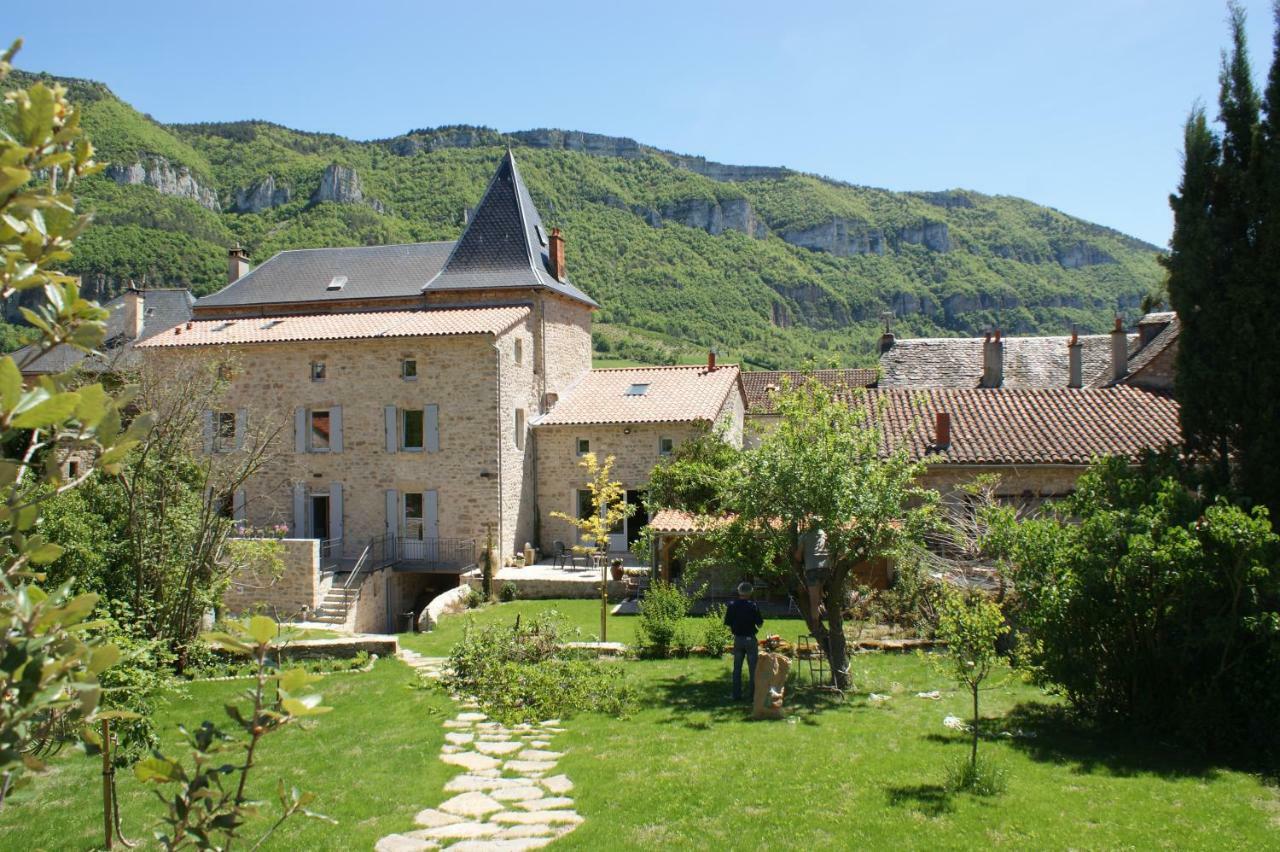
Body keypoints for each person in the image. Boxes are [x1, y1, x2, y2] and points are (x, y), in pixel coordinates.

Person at [724, 581, 764, 701]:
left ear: (739, 591)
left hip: (738, 639)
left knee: (737, 669)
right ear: (750, 592)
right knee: (753, 669)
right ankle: (752, 696)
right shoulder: (753, 605)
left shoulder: (732, 605)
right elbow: (760, 624)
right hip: (750, 639)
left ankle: (736, 695)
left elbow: (728, 623)